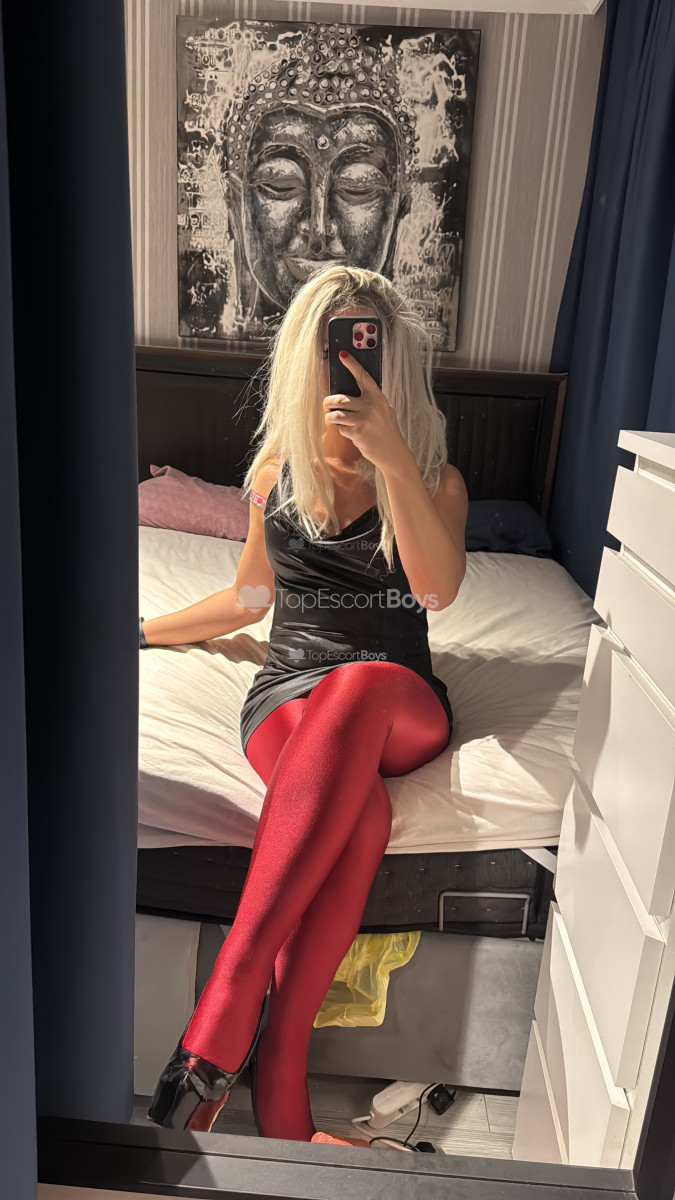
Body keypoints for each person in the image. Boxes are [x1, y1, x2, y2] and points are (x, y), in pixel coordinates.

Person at [144, 264, 468, 1142]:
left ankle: (224, 1006)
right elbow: (248, 599)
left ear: (393, 360)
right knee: (357, 812)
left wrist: (390, 456)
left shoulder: (432, 477)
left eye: (367, 347)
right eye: (335, 346)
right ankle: (280, 1093)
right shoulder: (275, 471)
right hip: (288, 688)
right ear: (304, 355)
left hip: (394, 691)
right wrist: (139, 631)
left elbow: (435, 593)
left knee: (355, 687)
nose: (349, 364)